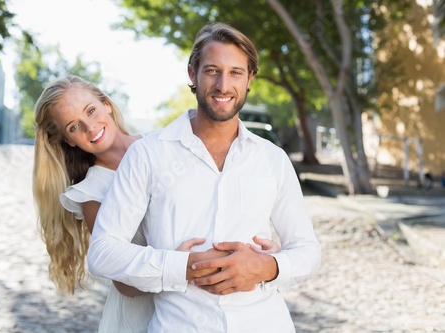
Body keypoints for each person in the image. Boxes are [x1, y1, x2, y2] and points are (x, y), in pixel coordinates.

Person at [88, 22, 321, 332]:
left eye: (236, 72)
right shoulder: (147, 154)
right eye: (212, 70)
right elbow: (102, 253)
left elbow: (308, 251)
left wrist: (266, 266)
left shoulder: (272, 160)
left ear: (250, 78)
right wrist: (182, 267)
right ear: (192, 73)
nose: (223, 85)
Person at [32, 75, 280, 332]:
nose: (90, 127)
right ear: (68, 140)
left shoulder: (163, 146)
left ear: (106, 104)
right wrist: (178, 265)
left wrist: (260, 251)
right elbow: (123, 283)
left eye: (91, 111)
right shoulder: (93, 194)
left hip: (201, 307)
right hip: (147, 314)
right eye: (74, 127)